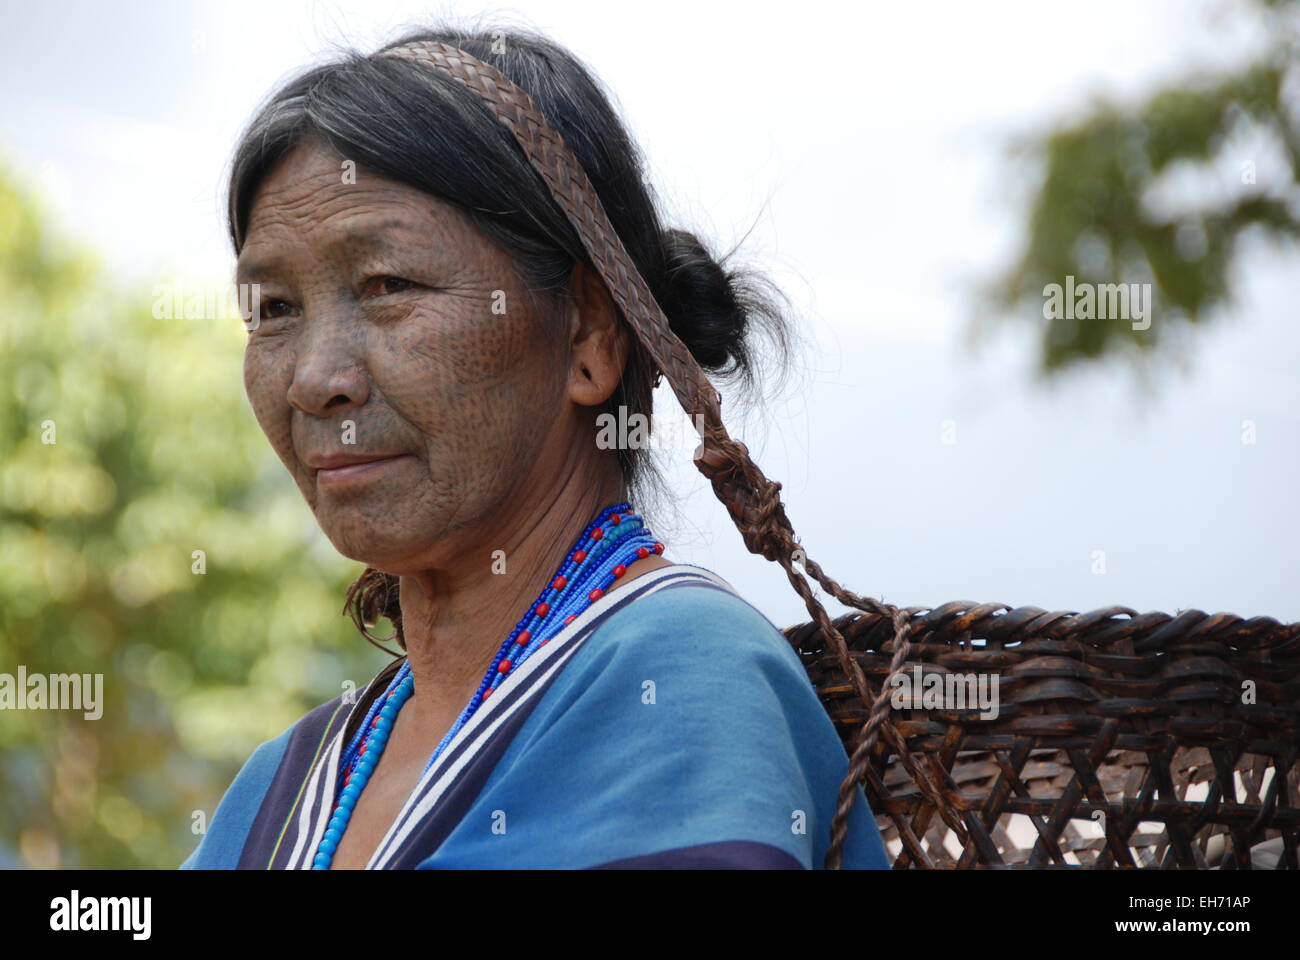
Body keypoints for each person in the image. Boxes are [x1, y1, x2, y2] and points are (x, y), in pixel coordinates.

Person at [180, 24, 889, 870]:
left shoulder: (686, 681)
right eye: (273, 310)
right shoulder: (280, 792)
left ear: (588, 333)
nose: (312, 379)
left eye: (387, 286)